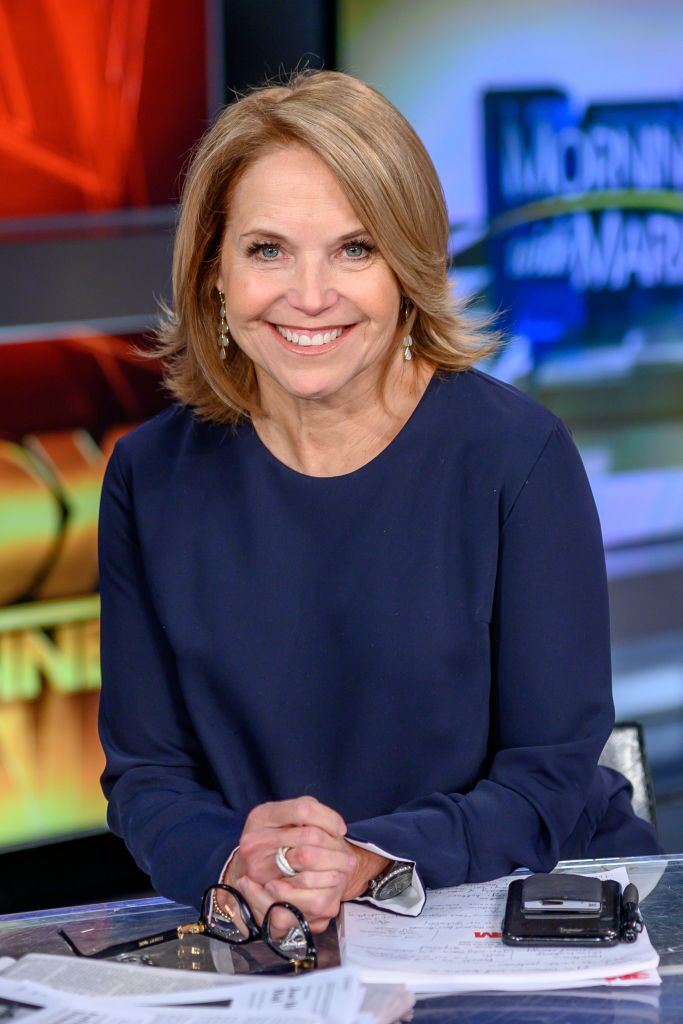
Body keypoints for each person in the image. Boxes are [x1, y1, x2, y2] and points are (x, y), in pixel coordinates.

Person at [98, 70, 661, 935]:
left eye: (354, 249)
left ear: (409, 266)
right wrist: (233, 861)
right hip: (279, 924)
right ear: (213, 269)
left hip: (518, 909)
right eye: (267, 249)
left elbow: (547, 774)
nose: (310, 294)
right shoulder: (148, 476)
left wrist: (365, 861)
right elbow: (147, 775)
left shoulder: (518, 457)